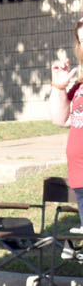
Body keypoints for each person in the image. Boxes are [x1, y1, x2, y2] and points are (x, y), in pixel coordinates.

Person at [50, 15, 83, 226]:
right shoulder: (79, 85)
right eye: (81, 40)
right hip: (80, 176)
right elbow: (60, 119)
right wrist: (59, 87)